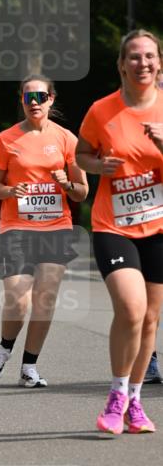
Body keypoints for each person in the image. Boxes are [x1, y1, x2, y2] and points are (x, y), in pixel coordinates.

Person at [76, 29, 163, 433]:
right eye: (134, 57)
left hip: (159, 226)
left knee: (149, 320)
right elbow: (81, 154)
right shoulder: (102, 111)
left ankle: (136, 403)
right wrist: (97, 167)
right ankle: (115, 394)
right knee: (130, 309)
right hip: (114, 224)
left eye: (149, 56)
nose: (142, 63)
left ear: (159, 62)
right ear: (121, 65)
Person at [0, 76, 88, 388]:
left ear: (52, 99)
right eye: (29, 97)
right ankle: (4, 348)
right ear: (22, 101)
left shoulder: (67, 138)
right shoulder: (6, 139)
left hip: (56, 227)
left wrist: (67, 184)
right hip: (17, 227)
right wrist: (13, 190)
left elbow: (82, 191)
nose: (35, 102)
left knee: (46, 299)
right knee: (18, 298)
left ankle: (29, 367)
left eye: (41, 96)